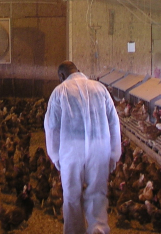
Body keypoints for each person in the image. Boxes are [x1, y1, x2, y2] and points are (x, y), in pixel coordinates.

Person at [45, 61, 121, 234]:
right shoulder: (100, 89)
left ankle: (74, 231)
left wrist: (56, 157)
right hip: (99, 148)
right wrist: (113, 154)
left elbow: (52, 127)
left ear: (61, 77)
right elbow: (113, 122)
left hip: (71, 151)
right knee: (97, 193)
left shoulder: (60, 92)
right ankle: (98, 229)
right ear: (79, 71)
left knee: (72, 196)